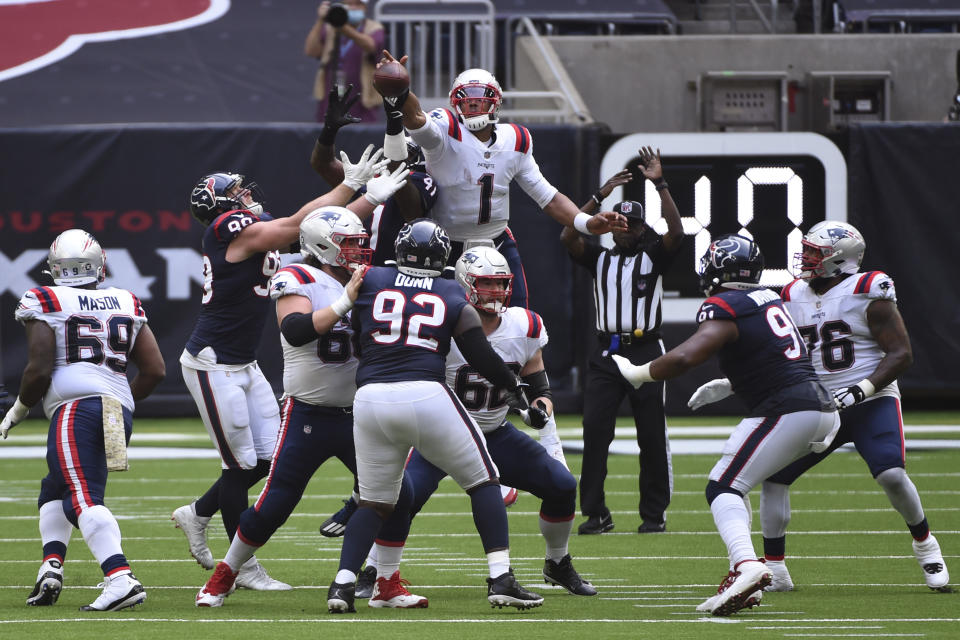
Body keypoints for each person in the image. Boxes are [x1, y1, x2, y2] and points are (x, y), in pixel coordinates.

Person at [171, 149, 406, 589]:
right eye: (235, 193)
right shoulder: (228, 229)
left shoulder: (252, 231)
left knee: (264, 460)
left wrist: (361, 196)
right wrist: (356, 190)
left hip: (243, 362)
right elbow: (295, 225)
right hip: (211, 363)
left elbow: (320, 230)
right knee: (240, 464)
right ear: (222, 207)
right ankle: (240, 568)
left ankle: (198, 513)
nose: (245, 195)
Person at [690, 221, 950, 593]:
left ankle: (926, 545)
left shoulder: (867, 288)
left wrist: (862, 389)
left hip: (871, 399)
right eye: (807, 250)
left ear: (840, 260)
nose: (806, 257)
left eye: (815, 253)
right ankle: (775, 569)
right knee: (775, 479)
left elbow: (901, 354)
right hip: (817, 402)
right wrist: (732, 385)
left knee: (891, 474)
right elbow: (782, 355)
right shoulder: (792, 292)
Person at [613, 234, 840, 616]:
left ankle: (747, 567)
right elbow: (774, 355)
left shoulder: (725, 304)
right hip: (819, 406)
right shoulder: (769, 297)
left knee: (723, 486)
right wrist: (733, 384)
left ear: (719, 268)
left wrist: (641, 373)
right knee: (744, 483)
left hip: (787, 408)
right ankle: (748, 581)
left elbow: (687, 356)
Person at [326, 218, 544, 613]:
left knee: (374, 501)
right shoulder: (448, 290)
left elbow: (359, 331)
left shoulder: (371, 278)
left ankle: (343, 586)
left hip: (370, 398)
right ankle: (501, 578)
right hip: (425, 393)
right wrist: (515, 390)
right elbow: (480, 354)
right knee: (485, 481)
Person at [353, 245, 595, 599]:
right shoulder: (442, 324)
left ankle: (557, 562)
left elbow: (539, 382)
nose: (496, 292)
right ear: (466, 285)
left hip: (495, 431)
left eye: (500, 284)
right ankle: (375, 569)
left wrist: (540, 405)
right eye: (486, 284)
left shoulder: (525, 325)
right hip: (438, 435)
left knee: (560, 485)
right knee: (401, 497)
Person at [373, 50, 628, 308]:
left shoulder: (515, 140)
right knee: (445, 322)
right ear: (454, 103)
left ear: (495, 102)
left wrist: (585, 223)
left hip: (496, 241)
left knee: (516, 316)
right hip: (444, 245)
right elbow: (416, 117)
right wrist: (400, 90)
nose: (472, 104)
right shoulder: (445, 129)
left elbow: (547, 197)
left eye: (479, 99)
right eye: (465, 98)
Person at [0, 229, 166, 611]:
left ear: (55, 267)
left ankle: (119, 578)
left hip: (76, 407)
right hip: (113, 408)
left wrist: (20, 408)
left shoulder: (46, 297)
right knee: (55, 487)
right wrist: (116, 401)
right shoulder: (126, 299)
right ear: (100, 263)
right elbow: (155, 370)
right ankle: (51, 568)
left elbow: (38, 369)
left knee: (80, 496)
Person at [560, 148, 683, 535]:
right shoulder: (599, 259)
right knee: (595, 430)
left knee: (651, 433)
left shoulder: (654, 256)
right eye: (618, 223)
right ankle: (595, 512)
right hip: (607, 352)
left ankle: (653, 514)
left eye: (630, 223)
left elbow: (677, 231)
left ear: (643, 228)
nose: (623, 228)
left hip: (646, 349)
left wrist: (659, 184)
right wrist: (599, 198)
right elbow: (568, 233)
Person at [305, 0, 384, 124]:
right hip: (331, 94)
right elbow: (311, 50)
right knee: (327, 135)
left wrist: (341, 25)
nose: (353, 8)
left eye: (357, 4)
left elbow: (370, 45)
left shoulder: (373, 27)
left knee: (363, 137)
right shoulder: (330, 28)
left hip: (362, 97)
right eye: (349, 4)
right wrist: (321, 20)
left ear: (365, 7)